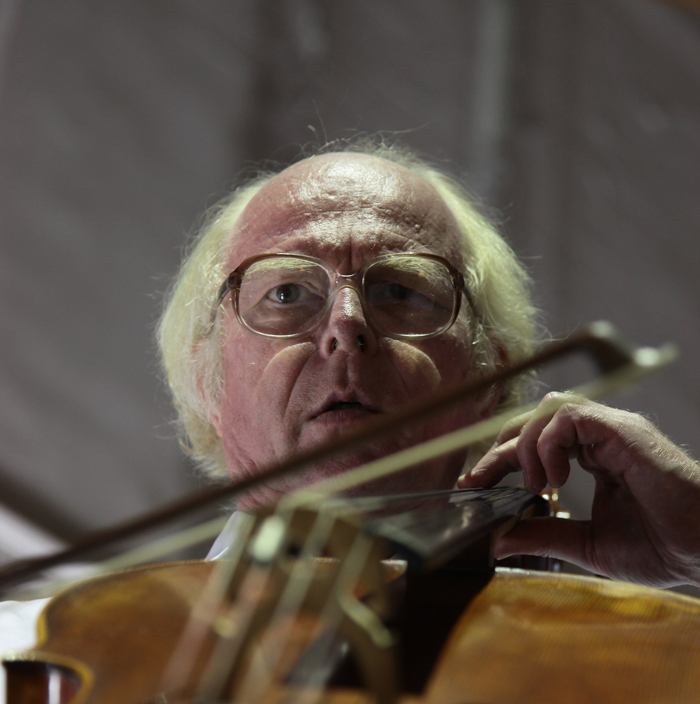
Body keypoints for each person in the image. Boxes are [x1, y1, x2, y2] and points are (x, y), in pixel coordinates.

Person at [157, 139, 700, 589]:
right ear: (209, 382)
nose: (347, 324)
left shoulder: (594, 658)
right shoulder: (115, 651)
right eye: (287, 293)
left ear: (487, 380)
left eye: (399, 290)